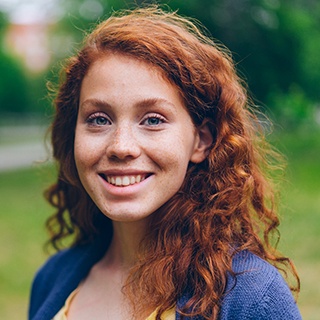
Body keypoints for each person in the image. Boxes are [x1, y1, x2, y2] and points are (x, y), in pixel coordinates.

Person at [29, 6, 301, 320]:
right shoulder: (51, 279)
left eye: (153, 120)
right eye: (99, 119)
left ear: (202, 141)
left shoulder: (251, 296)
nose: (121, 147)